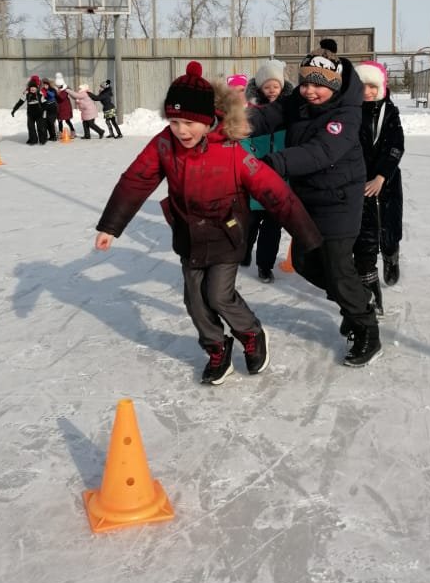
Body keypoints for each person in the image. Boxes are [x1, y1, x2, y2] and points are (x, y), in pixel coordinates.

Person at [94, 61, 322, 385]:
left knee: (218, 295)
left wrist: (307, 236)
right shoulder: (164, 144)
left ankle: (251, 333)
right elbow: (136, 180)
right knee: (194, 300)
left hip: (227, 233)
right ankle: (216, 346)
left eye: (189, 122)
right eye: (173, 121)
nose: (181, 130)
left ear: (207, 119)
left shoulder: (231, 150)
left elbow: (274, 192)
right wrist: (110, 226)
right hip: (188, 233)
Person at [246, 39, 382, 367]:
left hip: (339, 201)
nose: (309, 91)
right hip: (307, 198)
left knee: (337, 266)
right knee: (306, 263)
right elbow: (267, 117)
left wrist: (271, 163)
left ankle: (366, 328)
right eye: (304, 83)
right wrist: (233, 124)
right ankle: (356, 300)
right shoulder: (297, 101)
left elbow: (321, 153)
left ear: (334, 86)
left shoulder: (347, 114)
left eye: (317, 86)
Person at [352, 61, 405, 307]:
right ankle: (368, 277)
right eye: (363, 86)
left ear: (381, 86)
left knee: (388, 225)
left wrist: (382, 176)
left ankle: (391, 254)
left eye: (373, 86)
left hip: (387, 180)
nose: (368, 92)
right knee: (366, 232)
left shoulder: (390, 112)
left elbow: (396, 145)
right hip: (361, 182)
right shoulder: (351, 111)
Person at [242, 59, 293, 281]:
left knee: (272, 227)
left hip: (280, 178)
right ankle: (243, 252)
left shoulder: (290, 110)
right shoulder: (251, 112)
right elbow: (242, 141)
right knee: (250, 223)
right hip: (256, 177)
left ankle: (265, 265)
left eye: (276, 85)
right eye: (267, 86)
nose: (272, 90)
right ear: (260, 88)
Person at [11, 76, 48, 145]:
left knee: (40, 127)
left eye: (34, 87)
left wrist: (45, 111)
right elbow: (20, 102)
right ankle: (33, 140)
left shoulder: (40, 94)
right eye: (31, 87)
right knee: (31, 127)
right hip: (30, 114)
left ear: (36, 88)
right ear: (29, 88)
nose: (32, 89)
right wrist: (14, 110)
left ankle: (42, 139)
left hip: (39, 114)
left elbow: (44, 103)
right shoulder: (26, 94)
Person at [54, 72, 76, 139]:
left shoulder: (65, 90)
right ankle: (60, 133)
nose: (57, 87)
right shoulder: (58, 90)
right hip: (59, 108)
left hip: (66, 108)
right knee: (60, 121)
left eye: (58, 86)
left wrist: (57, 92)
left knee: (67, 120)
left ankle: (73, 131)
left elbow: (62, 97)